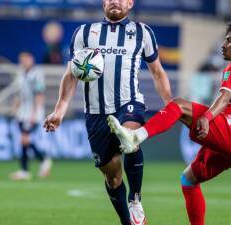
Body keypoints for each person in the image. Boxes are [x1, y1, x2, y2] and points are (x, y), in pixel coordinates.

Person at [107, 21, 231, 225]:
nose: (224, 45)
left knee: (179, 106)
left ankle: (135, 136)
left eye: (229, 40)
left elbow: (225, 97)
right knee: (188, 179)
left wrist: (207, 118)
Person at [43, 0, 172, 224]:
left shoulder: (142, 32)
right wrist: (59, 111)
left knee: (131, 138)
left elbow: (158, 72)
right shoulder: (84, 33)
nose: (115, 1)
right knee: (112, 177)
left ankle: (135, 199)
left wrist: (171, 105)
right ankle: (127, 221)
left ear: (130, 3)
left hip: (129, 102)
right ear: (103, 3)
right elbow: (71, 75)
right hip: (96, 112)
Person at [10, 51, 53, 181]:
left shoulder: (36, 74)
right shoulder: (20, 75)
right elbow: (18, 94)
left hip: (32, 113)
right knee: (24, 141)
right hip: (22, 113)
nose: (24, 62)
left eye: (26, 59)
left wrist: (35, 114)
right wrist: (15, 108)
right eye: (22, 60)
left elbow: (39, 94)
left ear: (31, 59)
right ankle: (26, 170)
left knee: (25, 139)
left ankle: (42, 161)